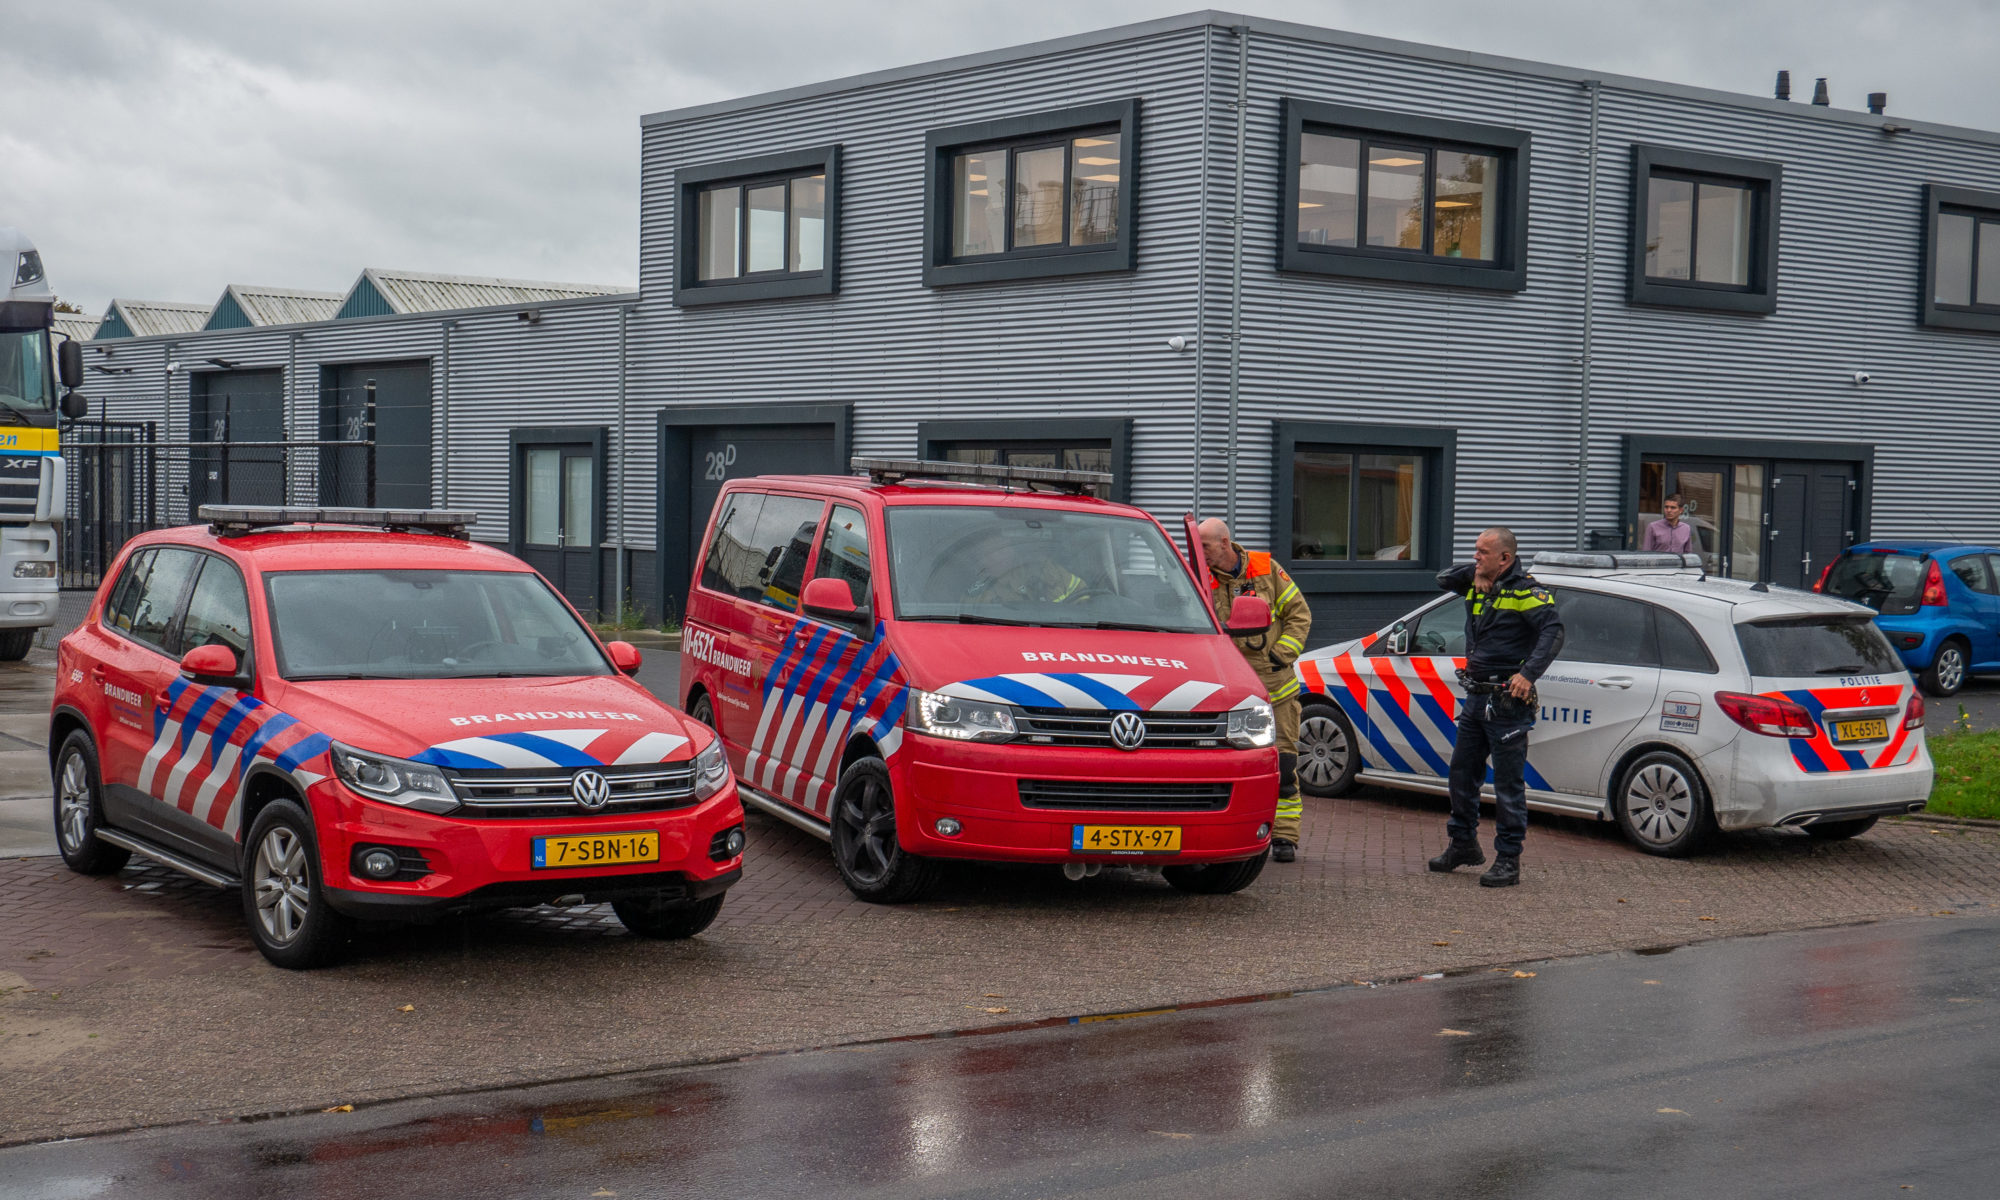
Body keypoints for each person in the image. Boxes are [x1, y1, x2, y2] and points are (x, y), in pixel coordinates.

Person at [1428, 526, 1563, 888]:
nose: (1476, 556)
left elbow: (1553, 632)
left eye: (1483, 552)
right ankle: (1463, 845)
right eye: (1475, 551)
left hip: (1507, 703)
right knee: (1461, 774)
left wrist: (1528, 675)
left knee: (1507, 785)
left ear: (1505, 558)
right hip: (1476, 699)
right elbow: (1442, 578)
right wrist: (1477, 573)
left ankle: (1508, 860)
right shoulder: (1476, 581)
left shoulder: (1526, 591)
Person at [1199, 518, 1312, 862]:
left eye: (1204, 546)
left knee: (1284, 763)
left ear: (1224, 543)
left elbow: (1299, 614)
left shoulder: (1266, 570)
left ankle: (1284, 836)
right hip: (1226, 691)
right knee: (1225, 766)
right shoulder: (1199, 578)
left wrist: (1281, 654)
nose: (1200, 553)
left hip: (1275, 690)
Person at [963, 538, 1089, 607]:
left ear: (1011, 551)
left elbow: (1083, 596)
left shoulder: (1045, 570)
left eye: (999, 550)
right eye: (985, 555)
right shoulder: (978, 592)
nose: (989, 559)